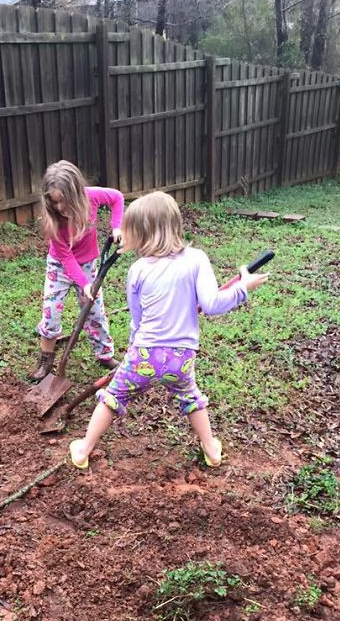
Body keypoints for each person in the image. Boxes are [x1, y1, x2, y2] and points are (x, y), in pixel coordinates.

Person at [69, 191, 269, 470]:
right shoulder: (196, 259)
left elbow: (137, 320)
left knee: (113, 397)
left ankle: (83, 449)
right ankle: (211, 450)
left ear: (144, 233)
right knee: (191, 398)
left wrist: (132, 352)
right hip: (180, 357)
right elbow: (211, 305)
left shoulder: (137, 270)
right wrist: (242, 289)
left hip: (144, 354)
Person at [29, 160, 124, 382]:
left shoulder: (92, 196)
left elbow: (117, 198)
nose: (60, 208)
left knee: (95, 311)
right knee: (50, 313)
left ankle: (105, 355)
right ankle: (46, 360)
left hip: (89, 265)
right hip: (60, 267)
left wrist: (116, 226)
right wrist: (84, 284)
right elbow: (65, 257)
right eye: (54, 202)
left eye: (63, 201)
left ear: (76, 194)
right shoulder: (54, 221)